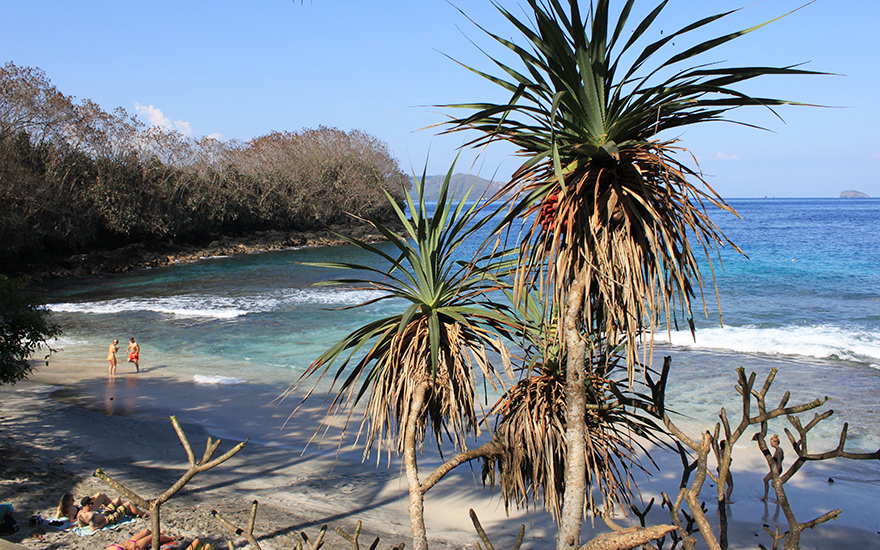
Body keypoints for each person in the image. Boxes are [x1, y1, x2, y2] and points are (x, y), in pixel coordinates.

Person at [76, 493, 147, 529]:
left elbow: (80, 525)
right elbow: (93, 529)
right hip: (111, 518)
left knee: (117, 500)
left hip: (104, 514)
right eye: (92, 503)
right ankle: (143, 515)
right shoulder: (90, 515)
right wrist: (105, 522)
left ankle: (128, 511)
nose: (93, 504)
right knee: (128, 504)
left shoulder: (80, 514)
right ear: (87, 505)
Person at [105, 529, 203, 550]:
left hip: (130, 543)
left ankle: (168, 537)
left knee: (147, 532)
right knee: (152, 537)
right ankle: (171, 538)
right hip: (134, 546)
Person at [761, 434, 784, 501]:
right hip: (776, 468)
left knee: (768, 480)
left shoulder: (779, 451)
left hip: (777, 469)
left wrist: (776, 472)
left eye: (772, 442)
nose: (770, 443)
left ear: (776, 442)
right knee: (768, 481)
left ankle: (774, 498)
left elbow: (779, 462)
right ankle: (766, 496)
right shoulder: (777, 450)